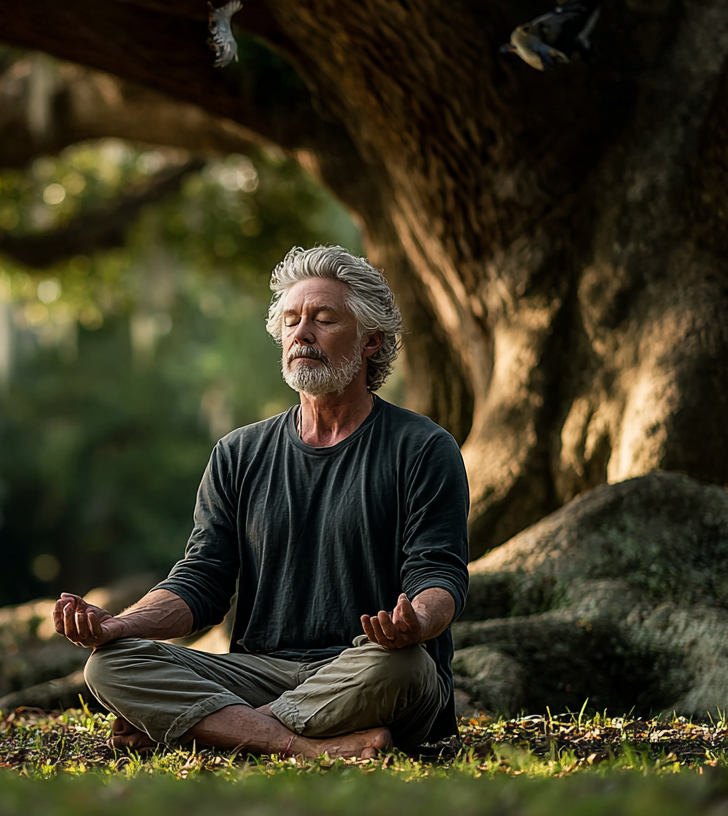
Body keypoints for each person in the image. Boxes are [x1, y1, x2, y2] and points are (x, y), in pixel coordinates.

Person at [52, 245, 470, 759]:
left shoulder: (423, 448)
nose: (302, 334)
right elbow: (201, 581)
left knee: (406, 664)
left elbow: (439, 573)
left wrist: (417, 623)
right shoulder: (238, 453)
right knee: (110, 664)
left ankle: (216, 730)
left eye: (323, 319)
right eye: (291, 321)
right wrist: (120, 625)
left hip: (368, 667)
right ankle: (308, 747)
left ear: (370, 341)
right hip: (259, 672)